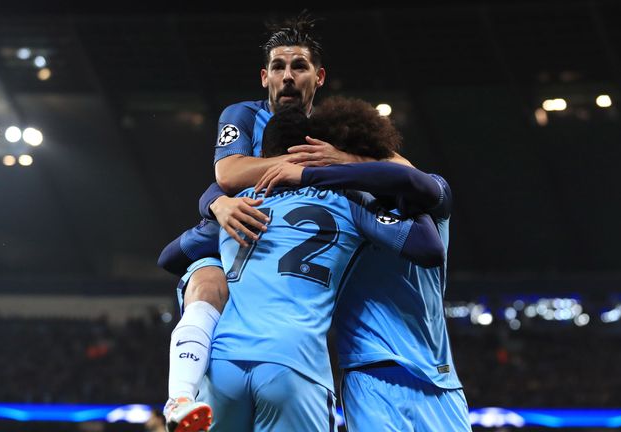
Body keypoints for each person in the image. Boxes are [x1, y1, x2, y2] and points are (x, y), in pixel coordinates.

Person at [162, 104, 444, 431]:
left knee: (201, 273)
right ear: (317, 149)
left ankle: (179, 393)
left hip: (223, 362)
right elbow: (426, 247)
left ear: (264, 153)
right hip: (294, 363)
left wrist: (214, 207)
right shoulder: (348, 200)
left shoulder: (236, 208)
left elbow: (169, 257)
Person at [161, 13, 369, 431]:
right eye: (278, 67)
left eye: (299, 66)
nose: (287, 76)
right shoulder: (242, 114)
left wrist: (342, 162)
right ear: (264, 77)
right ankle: (180, 397)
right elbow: (227, 175)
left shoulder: (334, 133)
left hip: (276, 260)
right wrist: (218, 204)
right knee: (208, 283)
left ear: (320, 76)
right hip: (237, 233)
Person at [253, 99, 472, 431]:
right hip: (369, 373)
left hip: (438, 375)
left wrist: (329, 167)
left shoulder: (430, 197)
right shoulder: (340, 207)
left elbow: (411, 183)